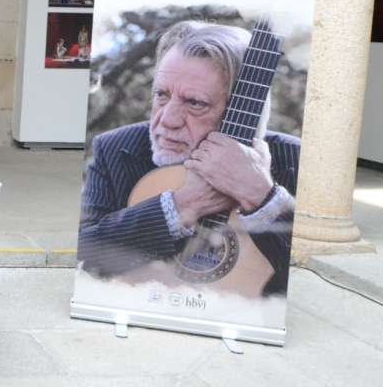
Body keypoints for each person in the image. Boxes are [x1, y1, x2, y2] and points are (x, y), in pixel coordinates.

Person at [78, 21, 300, 296]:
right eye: (161, 94)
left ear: (242, 110)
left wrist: (262, 197)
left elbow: (306, 276)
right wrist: (181, 205)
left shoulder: (294, 158)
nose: (167, 120)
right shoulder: (115, 149)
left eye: (195, 103)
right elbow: (83, 254)